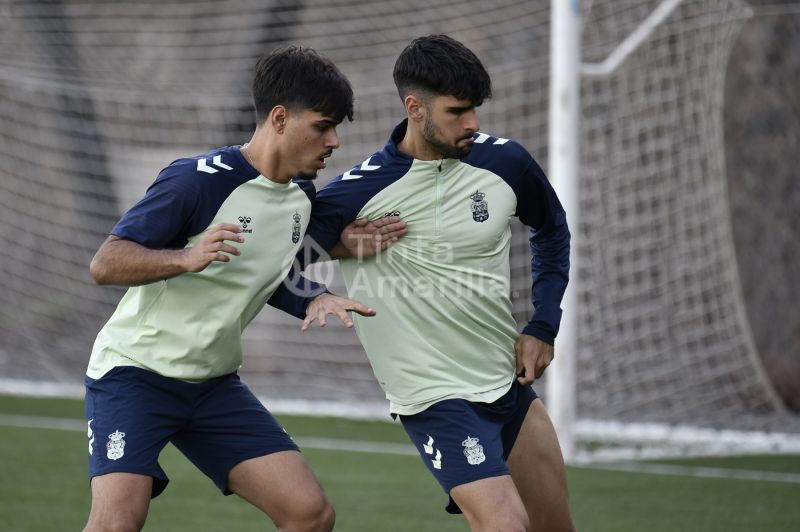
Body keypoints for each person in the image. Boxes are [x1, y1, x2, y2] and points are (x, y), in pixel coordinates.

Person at [83, 45, 404, 532]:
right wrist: (184, 258)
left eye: (338, 127)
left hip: (213, 385)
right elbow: (106, 263)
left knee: (310, 515)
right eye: (322, 125)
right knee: (117, 523)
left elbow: (269, 268)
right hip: (136, 373)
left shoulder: (301, 196)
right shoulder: (197, 181)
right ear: (279, 118)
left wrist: (319, 285)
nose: (335, 140)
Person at [305, 35, 576, 531]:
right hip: (432, 396)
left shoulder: (506, 163)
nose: (472, 123)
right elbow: (283, 260)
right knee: (505, 525)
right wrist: (339, 251)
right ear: (415, 108)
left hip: (506, 383)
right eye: (457, 111)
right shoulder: (354, 192)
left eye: (475, 109)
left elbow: (552, 229)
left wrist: (543, 324)